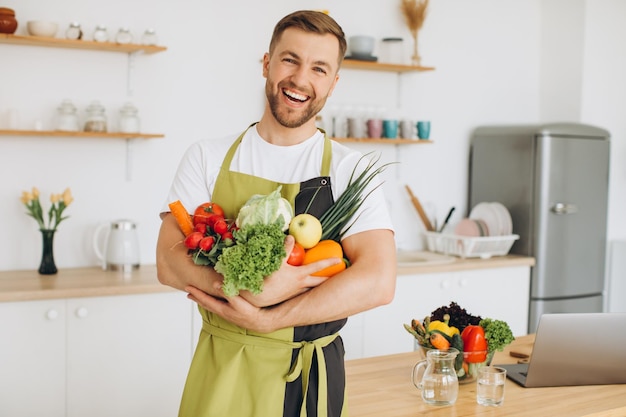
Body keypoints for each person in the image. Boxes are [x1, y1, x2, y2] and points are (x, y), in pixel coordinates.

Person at [156, 10, 397, 417]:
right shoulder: (206, 157)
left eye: (319, 68)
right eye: (290, 59)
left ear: (333, 84)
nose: (301, 79)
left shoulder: (349, 170)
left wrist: (271, 316)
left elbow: (378, 281)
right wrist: (248, 289)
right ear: (267, 63)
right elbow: (168, 261)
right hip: (222, 365)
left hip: (307, 376)